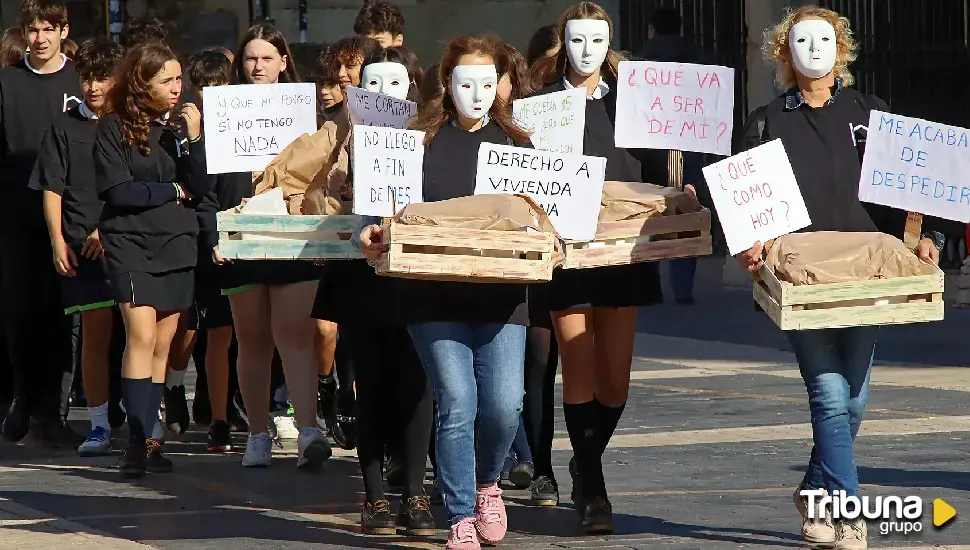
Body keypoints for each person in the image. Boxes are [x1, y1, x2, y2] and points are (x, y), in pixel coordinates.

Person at [736, 7, 941, 548]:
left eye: (824, 39)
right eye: (800, 40)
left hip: (864, 276)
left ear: (842, 49)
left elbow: (907, 196)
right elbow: (743, 203)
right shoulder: (765, 122)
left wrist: (922, 238)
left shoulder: (873, 115)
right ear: (784, 52)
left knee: (853, 400)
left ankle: (815, 491)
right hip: (803, 279)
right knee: (828, 396)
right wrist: (749, 248)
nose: (813, 49)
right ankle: (849, 512)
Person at [360, 34, 541, 550]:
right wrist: (370, 231)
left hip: (501, 296)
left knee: (505, 405)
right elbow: (383, 202)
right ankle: (460, 512)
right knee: (458, 402)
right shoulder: (418, 140)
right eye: (466, 82)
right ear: (446, 83)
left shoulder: (519, 145)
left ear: (501, 87)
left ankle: (488, 483)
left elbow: (549, 212)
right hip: (432, 296)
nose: (478, 93)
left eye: (489, 83)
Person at [532, 1, 685, 533]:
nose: (586, 51)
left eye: (596, 41)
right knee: (577, 364)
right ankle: (592, 484)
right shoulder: (543, 105)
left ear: (610, 43)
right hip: (567, 255)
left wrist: (677, 185)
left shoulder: (634, 105)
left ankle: (584, 458)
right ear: (563, 43)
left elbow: (657, 168)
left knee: (615, 380)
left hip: (624, 253)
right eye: (576, 40)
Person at [311, 45, 434, 537]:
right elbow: (320, 193)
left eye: (395, 84)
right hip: (362, 276)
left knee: (417, 384)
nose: (385, 95)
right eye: (374, 85)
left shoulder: (429, 137)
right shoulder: (343, 138)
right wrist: (343, 190)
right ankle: (376, 495)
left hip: (414, 276)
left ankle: (416, 491)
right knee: (372, 384)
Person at [94, 40, 210, 477]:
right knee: (139, 336)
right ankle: (136, 440)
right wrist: (171, 192)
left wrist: (194, 139)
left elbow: (200, 184)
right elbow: (118, 191)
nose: (177, 88)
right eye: (167, 80)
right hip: (130, 242)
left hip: (176, 242)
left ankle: (152, 438)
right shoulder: (113, 127)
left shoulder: (179, 128)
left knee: (162, 345)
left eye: (179, 79)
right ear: (142, 83)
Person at [221, 23, 331, 469]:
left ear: (284, 62)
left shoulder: (307, 115)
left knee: (295, 334)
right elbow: (210, 181)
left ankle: (308, 431)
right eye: (250, 58)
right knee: (251, 339)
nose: (258, 66)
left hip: (292, 233)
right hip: (241, 233)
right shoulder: (222, 112)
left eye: (267, 58)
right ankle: (257, 434)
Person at [30, 37, 124, 457]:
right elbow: (53, 187)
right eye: (87, 77)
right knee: (95, 337)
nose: (94, 85)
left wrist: (108, 230)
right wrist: (57, 241)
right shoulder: (64, 125)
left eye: (103, 77)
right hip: (81, 252)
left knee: (145, 337)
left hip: (130, 244)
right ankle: (100, 425)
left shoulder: (130, 124)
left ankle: (147, 416)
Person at [0, 0, 84, 448]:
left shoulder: (78, 81)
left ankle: (54, 410)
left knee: (62, 318)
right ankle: (20, 398)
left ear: (63, 30)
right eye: (33, 30)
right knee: (18, 312)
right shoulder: (7, 81)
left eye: (49, 29)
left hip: (70, 218)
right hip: (15, 216)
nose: (39, 38)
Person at [494, 42, 559, 505]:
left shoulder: (533, 130)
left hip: (536, 270)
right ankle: (507, 460)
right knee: (499, 379)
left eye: (495, 78)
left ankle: (540, 465)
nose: (485, 89)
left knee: (537, 368)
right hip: (491, 271)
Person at [185, 49, 243, 452]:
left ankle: (249, 408)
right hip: (213, 240)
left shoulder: (244, 120)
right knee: (217, 335)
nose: (211, 96)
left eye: (218, 87)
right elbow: (200, 189)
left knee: (256, 336)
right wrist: (194, 138)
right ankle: (218, 416)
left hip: (253, 234)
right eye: (204, 89)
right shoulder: (190, 130)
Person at [635, 6, 706, 305]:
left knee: (647, 214)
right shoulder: (699, 56)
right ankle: (683, 288)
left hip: (650, 148)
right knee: (687, 211)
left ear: (651, 29)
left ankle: (649, 283)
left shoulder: (638, 60)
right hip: (689, 145)